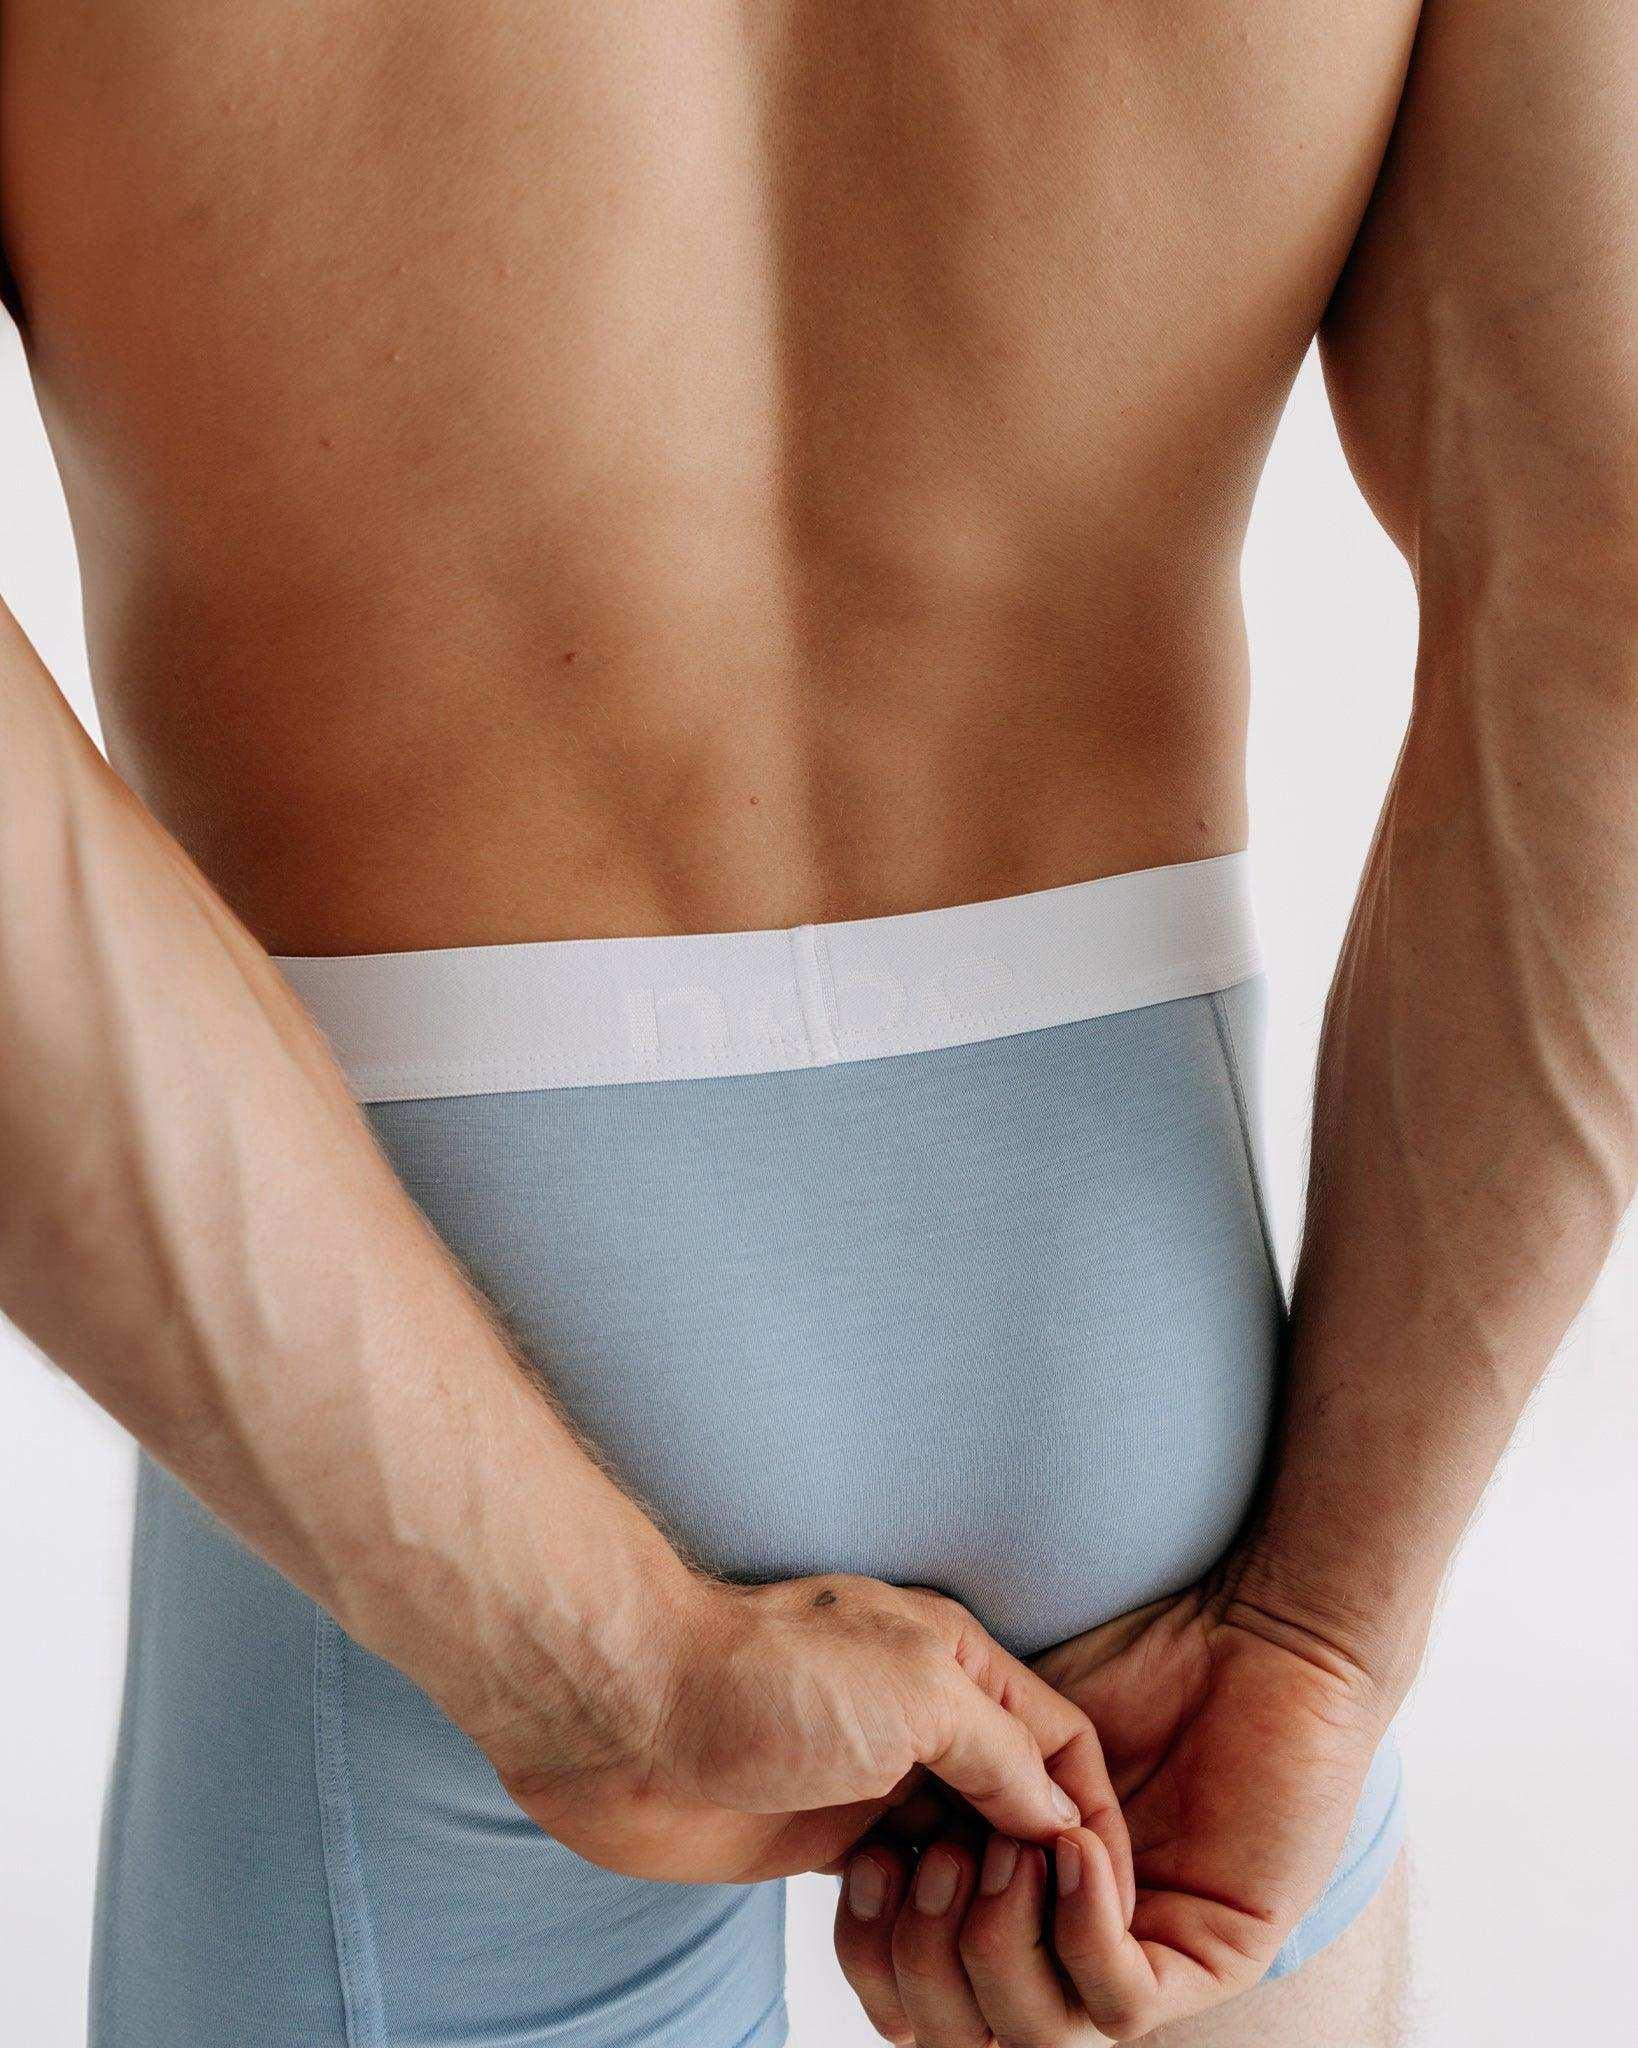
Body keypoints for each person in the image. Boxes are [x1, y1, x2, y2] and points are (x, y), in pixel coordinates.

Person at [0, 2, 1631, 2043]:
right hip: (1132, 1354)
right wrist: (1319, 1629)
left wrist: (587, 1656)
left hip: (392, 1364)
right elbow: (1606, 590)